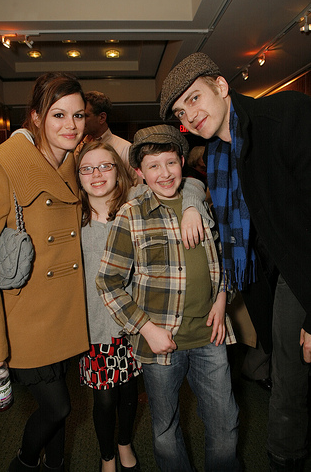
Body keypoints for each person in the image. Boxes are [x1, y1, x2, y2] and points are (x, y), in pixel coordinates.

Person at [159, 52, 311, 471]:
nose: (188, 116)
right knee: (288, 375)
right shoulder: (219, 154)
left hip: (302, 274)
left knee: (287, 386)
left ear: (222, 86)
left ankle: (284, 459)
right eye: (180, 111)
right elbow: (205, 203)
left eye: (194, 98)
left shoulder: (286, 117)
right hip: (267, 276)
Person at [96, 125, 240, 472]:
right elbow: (108, 281)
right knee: (165, 428)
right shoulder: (131, 217)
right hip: (161, 343)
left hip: (210, 336)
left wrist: (222, 296)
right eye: (154, 166)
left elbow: (225, 261)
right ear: (140, 173)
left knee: (225, 424)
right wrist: (146, 329)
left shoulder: (203, 207)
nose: (164, 173)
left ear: (182, 163)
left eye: (171, 163)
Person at [0, 72, 89, 472]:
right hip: (26, 318)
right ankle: (22, 463)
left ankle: (55, 466)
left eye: (79, 116)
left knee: (60, 412)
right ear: (36, 117)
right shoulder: (5, 166)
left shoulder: (73, 161)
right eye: (58, 115)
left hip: (65, 314)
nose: (71, 126)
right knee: (58, 408)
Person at [76, 141, 142, 472]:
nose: (97, 174)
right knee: (103, 400)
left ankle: (125, 442)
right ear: (78, 176)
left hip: (134, 322)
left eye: (105, 166)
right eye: (87, 168)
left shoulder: (136, 208)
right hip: (93, 326)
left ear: (118, 170)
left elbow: (185, 185)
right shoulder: (72, 218)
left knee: (129, 394)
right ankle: (107, 456)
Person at [76, 91, 139, 185]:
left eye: (85, 116)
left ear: (102, 118)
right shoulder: (79, 148)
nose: (80, 120)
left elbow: (137, 187)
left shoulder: (125, 148)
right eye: (78, 115)